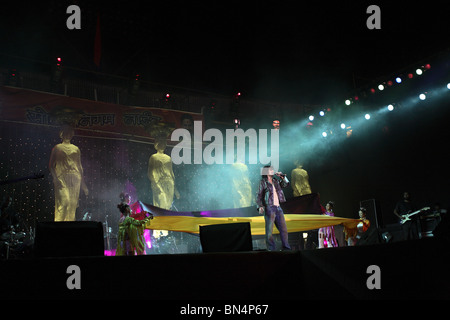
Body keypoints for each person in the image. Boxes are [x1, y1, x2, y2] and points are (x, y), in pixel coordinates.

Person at [49, 125, 88, 221]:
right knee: (64, 201)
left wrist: (83, 185)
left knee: (72, 205)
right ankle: (59, 226)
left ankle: (69, 227)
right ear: (61, 134)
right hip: (61, 178)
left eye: (69, 133)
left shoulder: (76, 149)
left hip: (75, 178)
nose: (68, 135)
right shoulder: (57, 148)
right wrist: (55, 178)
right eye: (66, 133)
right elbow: (51, 165)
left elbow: (80, 166)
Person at [256, 165, 291, 251]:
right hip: (269, 208)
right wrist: (260, 206)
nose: (272, 170)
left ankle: (286, 248)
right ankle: (271, 249)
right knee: (269, 232)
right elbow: (258, 195)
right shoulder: (263, 182)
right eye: (270, 169)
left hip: (278, 208)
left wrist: (283, 177)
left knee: (284, 230)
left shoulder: (276, 181)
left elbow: (286, 184)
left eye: (272, 169)